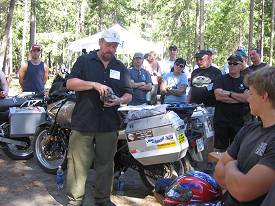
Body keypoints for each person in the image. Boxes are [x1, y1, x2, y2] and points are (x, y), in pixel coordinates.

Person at [66, 29, 132, 206]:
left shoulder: (119, 66)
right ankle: (75, 201)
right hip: (84, 121)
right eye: (108, 45)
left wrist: (119, 100)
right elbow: (70, 83)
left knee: (106, 164)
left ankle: (102, 199)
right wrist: (93, 85)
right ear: (100, 42)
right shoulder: (85, 61)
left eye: (115, 46)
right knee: (77, 164)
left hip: (109, 123)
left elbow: (129, 93)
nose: (111, 49)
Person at [214, 67, 275, 206]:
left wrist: (230, 164)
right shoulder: (249, 128)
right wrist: (236, 180)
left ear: (264, 96)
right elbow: (218, 173)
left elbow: (243, 191)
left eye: (251, 93)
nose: (248, 98)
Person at [213, 54, 249, 151]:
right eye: (230, 63)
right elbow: (218, 96)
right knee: (219, 151)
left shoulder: (246, 81)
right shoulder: (220, 78)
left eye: (235, 63)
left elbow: (247, 99)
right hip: (221, 121)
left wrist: (228, 93)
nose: (232, 65)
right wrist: (239, 98)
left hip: (238, 122)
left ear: (241, 66)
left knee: (236, 151)